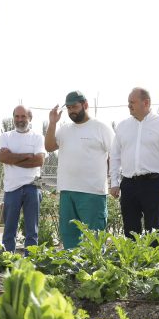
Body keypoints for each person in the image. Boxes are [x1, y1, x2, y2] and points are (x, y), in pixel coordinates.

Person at [45, 90, 114, 249]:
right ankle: (73, 273)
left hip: (93, 192)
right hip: (67, 191)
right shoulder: (64, 129)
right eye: (68, 108)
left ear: (85, 105)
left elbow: (115, 155)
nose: (71, 111)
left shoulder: (101, 128)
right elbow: (49, 147)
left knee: (94, 239)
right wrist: (53, 123)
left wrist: (111, 179)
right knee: (69, 237)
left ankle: (95, 273)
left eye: (74, 106)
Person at [110, 88, 159, 236]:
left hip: (153, 185)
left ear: (146, 102)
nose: (129, 105)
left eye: (132, 102)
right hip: (128, 184)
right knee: (130, 231)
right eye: (128, 102)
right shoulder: (122, 126)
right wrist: (114, 182)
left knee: (153, 232)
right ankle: (132, 261)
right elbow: (114, 155)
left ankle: (153, 261)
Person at [0, 106, 45, 252]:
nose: (20, 120)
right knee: (9, 229)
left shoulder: (38, 137)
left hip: (32, 186)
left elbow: (39, 161)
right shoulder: (6, 136)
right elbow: (2, 157)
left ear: (30, 118)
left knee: (32, 229)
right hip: (12, 188)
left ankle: (31, 259)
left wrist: (13, 158)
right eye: (17, 116)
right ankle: (7, 259)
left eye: (23, 116)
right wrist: (27, 155)